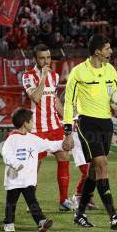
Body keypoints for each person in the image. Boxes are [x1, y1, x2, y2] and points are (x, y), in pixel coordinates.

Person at [63, 35, 117, 230]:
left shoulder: (111, 71)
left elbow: (116, 99)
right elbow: (69, 102)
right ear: (97, 51)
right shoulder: (78, 73)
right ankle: (113, 216)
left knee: (94, 171)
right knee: (102, 165)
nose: (111, 51)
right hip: (87, 124)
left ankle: (79, 213)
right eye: (108, 48)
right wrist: (68, 130)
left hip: (106, 124)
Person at [2, 108, 70, 232]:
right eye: (31, 121)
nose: (33, 123)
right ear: (24, 123)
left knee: (32, 201)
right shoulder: (12, 139)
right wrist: (16, 165)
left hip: (28, 179)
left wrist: (63, 144)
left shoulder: (33, 139)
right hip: (14, 179)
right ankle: (8, 223)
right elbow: (6, 154)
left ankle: (41, 222)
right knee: (11, 202)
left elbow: (48, 144)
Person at [22, 44, 72, 211]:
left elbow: (54, 99)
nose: (46, 61)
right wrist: (43, 77)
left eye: (48, 57)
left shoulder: (55, 76)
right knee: (35, 166)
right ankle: (32, 203)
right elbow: (36, 97)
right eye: (42, 58)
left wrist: (67, 118)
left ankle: (64, 201)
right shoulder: (28, 76)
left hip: (55, 126)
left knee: (64, 158)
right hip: (37, 129)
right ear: (35, 59)